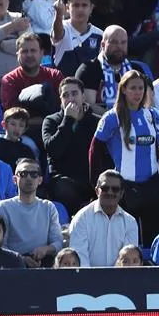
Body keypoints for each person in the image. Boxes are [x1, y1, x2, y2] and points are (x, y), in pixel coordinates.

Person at [90, 70, 159, 243]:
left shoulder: (152, 115)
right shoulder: (112, 117)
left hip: (152, 186)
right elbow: (94, 151)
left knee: (153, 238)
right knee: (127, 241)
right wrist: (95, 181)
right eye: (133, 88)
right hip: (125, 188)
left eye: (141, 88)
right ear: (123, 89)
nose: (138, 92)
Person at [43, 76, 99, 217]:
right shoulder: (51, 121)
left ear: (83, 96)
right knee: (64, 188)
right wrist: (68, 120)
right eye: (65, 95)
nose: (71, 98)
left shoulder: (97, 122)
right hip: (64, 178)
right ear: (60, 99)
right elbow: (53, 149)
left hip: (91, 179)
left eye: (75, 93)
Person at [0, 158, 63, 267]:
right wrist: (20, 259)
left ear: (40, 180)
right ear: (15, 180)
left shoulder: (48, 207)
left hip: (43, 265)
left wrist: (45, 249)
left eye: (34, 174)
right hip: (12, 267)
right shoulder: (3, 207)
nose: (29, 178)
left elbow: (58, 242)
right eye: (23, 174)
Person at [68, 169, 139, 267]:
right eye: (105, 188)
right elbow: (80, 260)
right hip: (87, 280)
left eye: (115, 189)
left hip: (120, 280)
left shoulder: (130, 223)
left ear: (121, 193)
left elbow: (128, 260)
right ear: (97, 191)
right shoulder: (81, 219)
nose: (110, 192)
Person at [75, 25, 145, 116]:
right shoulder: (88, 69)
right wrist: (117, 118)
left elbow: (148, 100)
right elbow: (88, 105)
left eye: (123, 42)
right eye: (114, 42)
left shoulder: (136, 70)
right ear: (103, 44)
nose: (119, 46)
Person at [0, 31, 64, 123]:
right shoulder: (10, 80)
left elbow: (63, 109)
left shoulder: (55, 76)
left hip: (55, 128)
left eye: (33, 50)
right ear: (17, 54)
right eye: (24, 51)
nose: (29, 55)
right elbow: (13, 119)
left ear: (42, 53)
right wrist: (44, 120)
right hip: (24, 132)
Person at [51, 0, 102, 78]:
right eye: (76, 5)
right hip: (63, 87)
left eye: (84, 5)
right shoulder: (63, 27)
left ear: (91, 8)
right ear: (67, 8)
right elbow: (57, 34)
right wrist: (59, 14)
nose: (80, 9)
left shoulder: (100, 35)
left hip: (90, 88)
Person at [0, 107, 38, 171]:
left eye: (21, 125)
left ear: (25, 129)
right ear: (4, 125)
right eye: (13, 124)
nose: (17, 128)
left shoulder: (26, 151)